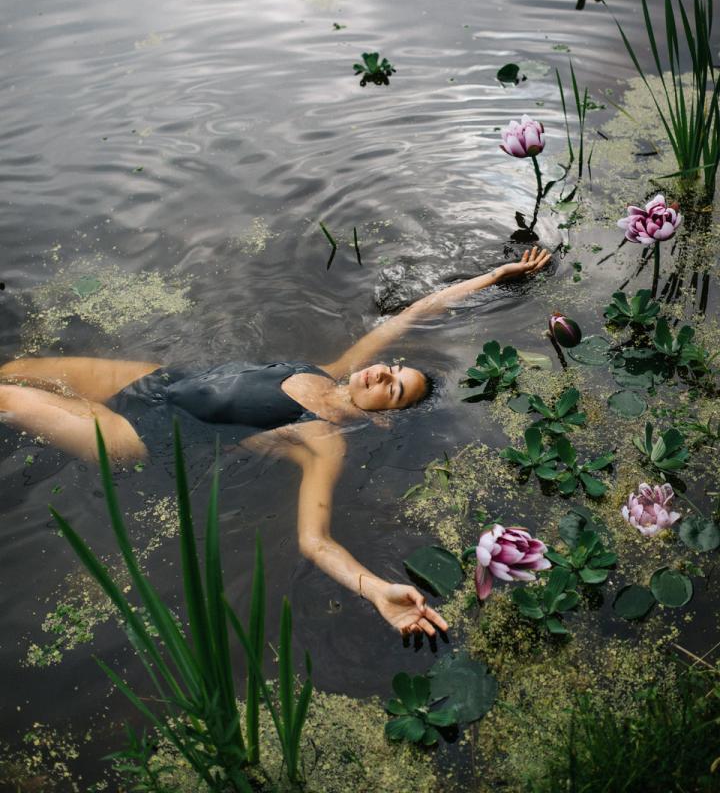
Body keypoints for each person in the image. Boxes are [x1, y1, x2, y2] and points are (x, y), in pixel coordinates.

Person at [0, 247, 550, 637]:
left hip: (133, 434)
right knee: (16, 370)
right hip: (155, 381)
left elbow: (315, 540)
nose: (382, 374)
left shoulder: (322, 441)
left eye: (394, 391)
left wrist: (375, 589)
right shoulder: (335, 369)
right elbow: (412, 315)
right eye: (393, 369)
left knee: (5, 398)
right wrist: (494, 278)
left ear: (384, 420)